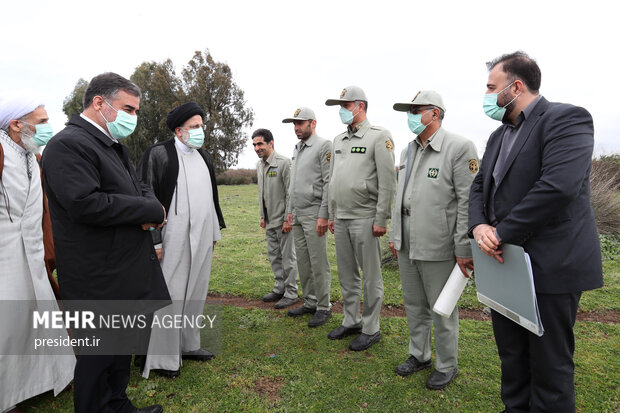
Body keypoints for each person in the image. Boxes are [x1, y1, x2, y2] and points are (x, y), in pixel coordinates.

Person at [469, 51, 603, 412]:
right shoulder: (499, 135)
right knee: (512, 359)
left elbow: (557, 187)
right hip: (505, 265)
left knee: (549, 366)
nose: (486, 95)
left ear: (516, 86)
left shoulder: (566, 119)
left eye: (490, 87)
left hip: (551, 265)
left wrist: (500, 233)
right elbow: (480, 185)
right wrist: (479, 225)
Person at [42, 72, 169, 413]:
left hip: (122, 269)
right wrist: (147, 208)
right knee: (97, 358)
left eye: (136, 110)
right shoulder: (67, 145)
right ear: (99, 103)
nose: (133, 117)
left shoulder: (113, 146)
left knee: (118, 351)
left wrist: (151, 205)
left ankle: (117, 405)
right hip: (96, 275)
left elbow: (139, 186)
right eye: (128, 108)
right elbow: (85, 202)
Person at [388, 90, 478, 390]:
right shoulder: (407, 150)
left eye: (417, 111)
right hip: (408, 242)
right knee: (414, 304)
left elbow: (467, 202)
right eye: (409, 112)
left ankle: (446, 364)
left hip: (438, 244)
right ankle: (419, 354)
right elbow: (400, 196)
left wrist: (464, 247)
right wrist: (395, 233)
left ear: (435, 113)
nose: (411, 117)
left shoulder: (459, 148)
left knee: (442, 309)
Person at [137, 102, 225, 379]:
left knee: (197, 291)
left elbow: (211, 198)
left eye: (202, 126)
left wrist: (213, 232)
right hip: (171, 237)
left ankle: (189, 345)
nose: (201, 131)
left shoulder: (204, 156)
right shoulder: (158, 154)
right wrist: (156, 241)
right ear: (179, 131)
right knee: (170, 295)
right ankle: (163, 359)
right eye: (194, 127)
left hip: (201, 236)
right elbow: (146, 197)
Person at [0, 94, 74, 413]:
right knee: (10, 326)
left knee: (41, 316)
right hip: (4, 256)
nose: (48, 128)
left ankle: (46, 378)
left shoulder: (34, 156)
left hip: (31, 252)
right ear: (17, 125)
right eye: (41, 122)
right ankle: (8, 394)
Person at [325, 86, 396, 351]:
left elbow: (388, 181)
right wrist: (332, 213)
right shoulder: (338, 140)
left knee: (371, 276)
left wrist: (382, 218)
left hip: (366, 217)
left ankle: (371, 327)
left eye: (345, 106)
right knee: (347, 274)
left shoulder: (379, 137)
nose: (341, 111)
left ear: (360, 106)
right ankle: (351, 320)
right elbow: (333, 180)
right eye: (340, 106)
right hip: (341, 217)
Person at [282, 107, 332, 327]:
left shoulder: (324, 146)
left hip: (314, 213)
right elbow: (293, 184)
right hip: (299, 214)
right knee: (303, 261)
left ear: (313, 123)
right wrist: (290, 212)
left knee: (318, 262)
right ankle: (310, 301)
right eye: (294, 124)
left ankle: (324, 307)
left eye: (300, 123)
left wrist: (324, 215)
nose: (296, 128)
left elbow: (329, 181)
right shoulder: (297, 148)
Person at [252, 128, 298, 309]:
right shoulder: (259, 165)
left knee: (288, 258)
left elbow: (290, 193)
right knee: (274, 257)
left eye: (260, 143)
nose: (257, 148)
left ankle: (291, 292)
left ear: (271, 143)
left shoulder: (284, 163)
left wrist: (289, 218)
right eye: (254, 144)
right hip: (269, 220)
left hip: (283, 221)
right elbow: (262, 193)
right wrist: (262, 216)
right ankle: (280, 288)